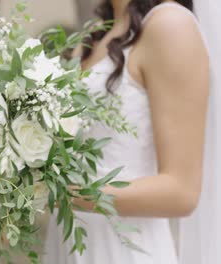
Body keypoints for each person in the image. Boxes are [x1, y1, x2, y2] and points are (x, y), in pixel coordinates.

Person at [44, 0, 210, 263]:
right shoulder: (95, 33)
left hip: (125, 250)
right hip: (67, 243)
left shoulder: (170, 25)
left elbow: (181, 191)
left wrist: (58, 194)